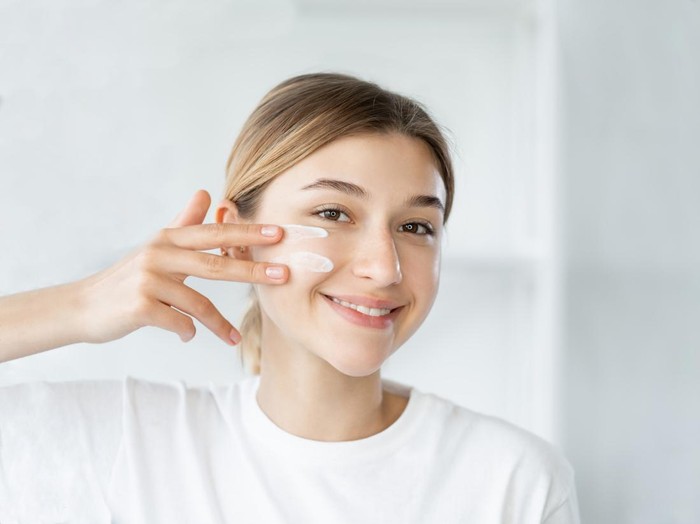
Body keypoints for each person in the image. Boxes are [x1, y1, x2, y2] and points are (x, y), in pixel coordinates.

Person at [0, 73, 580, 523]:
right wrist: (79, 306)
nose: (384, 267)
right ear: (236, 241)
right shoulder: (126, 442)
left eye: (416, 227)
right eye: (333, 213)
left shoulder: (510, 482)